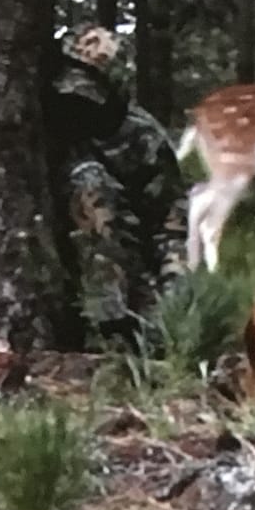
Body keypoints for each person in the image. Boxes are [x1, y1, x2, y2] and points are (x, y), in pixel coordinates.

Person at [47, 27, 187, 346]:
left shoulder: (142, 137)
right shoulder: (32, 119)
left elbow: (171, 226)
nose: (77, 94)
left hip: (126, 265)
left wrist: (173, 299)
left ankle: (114, 327)